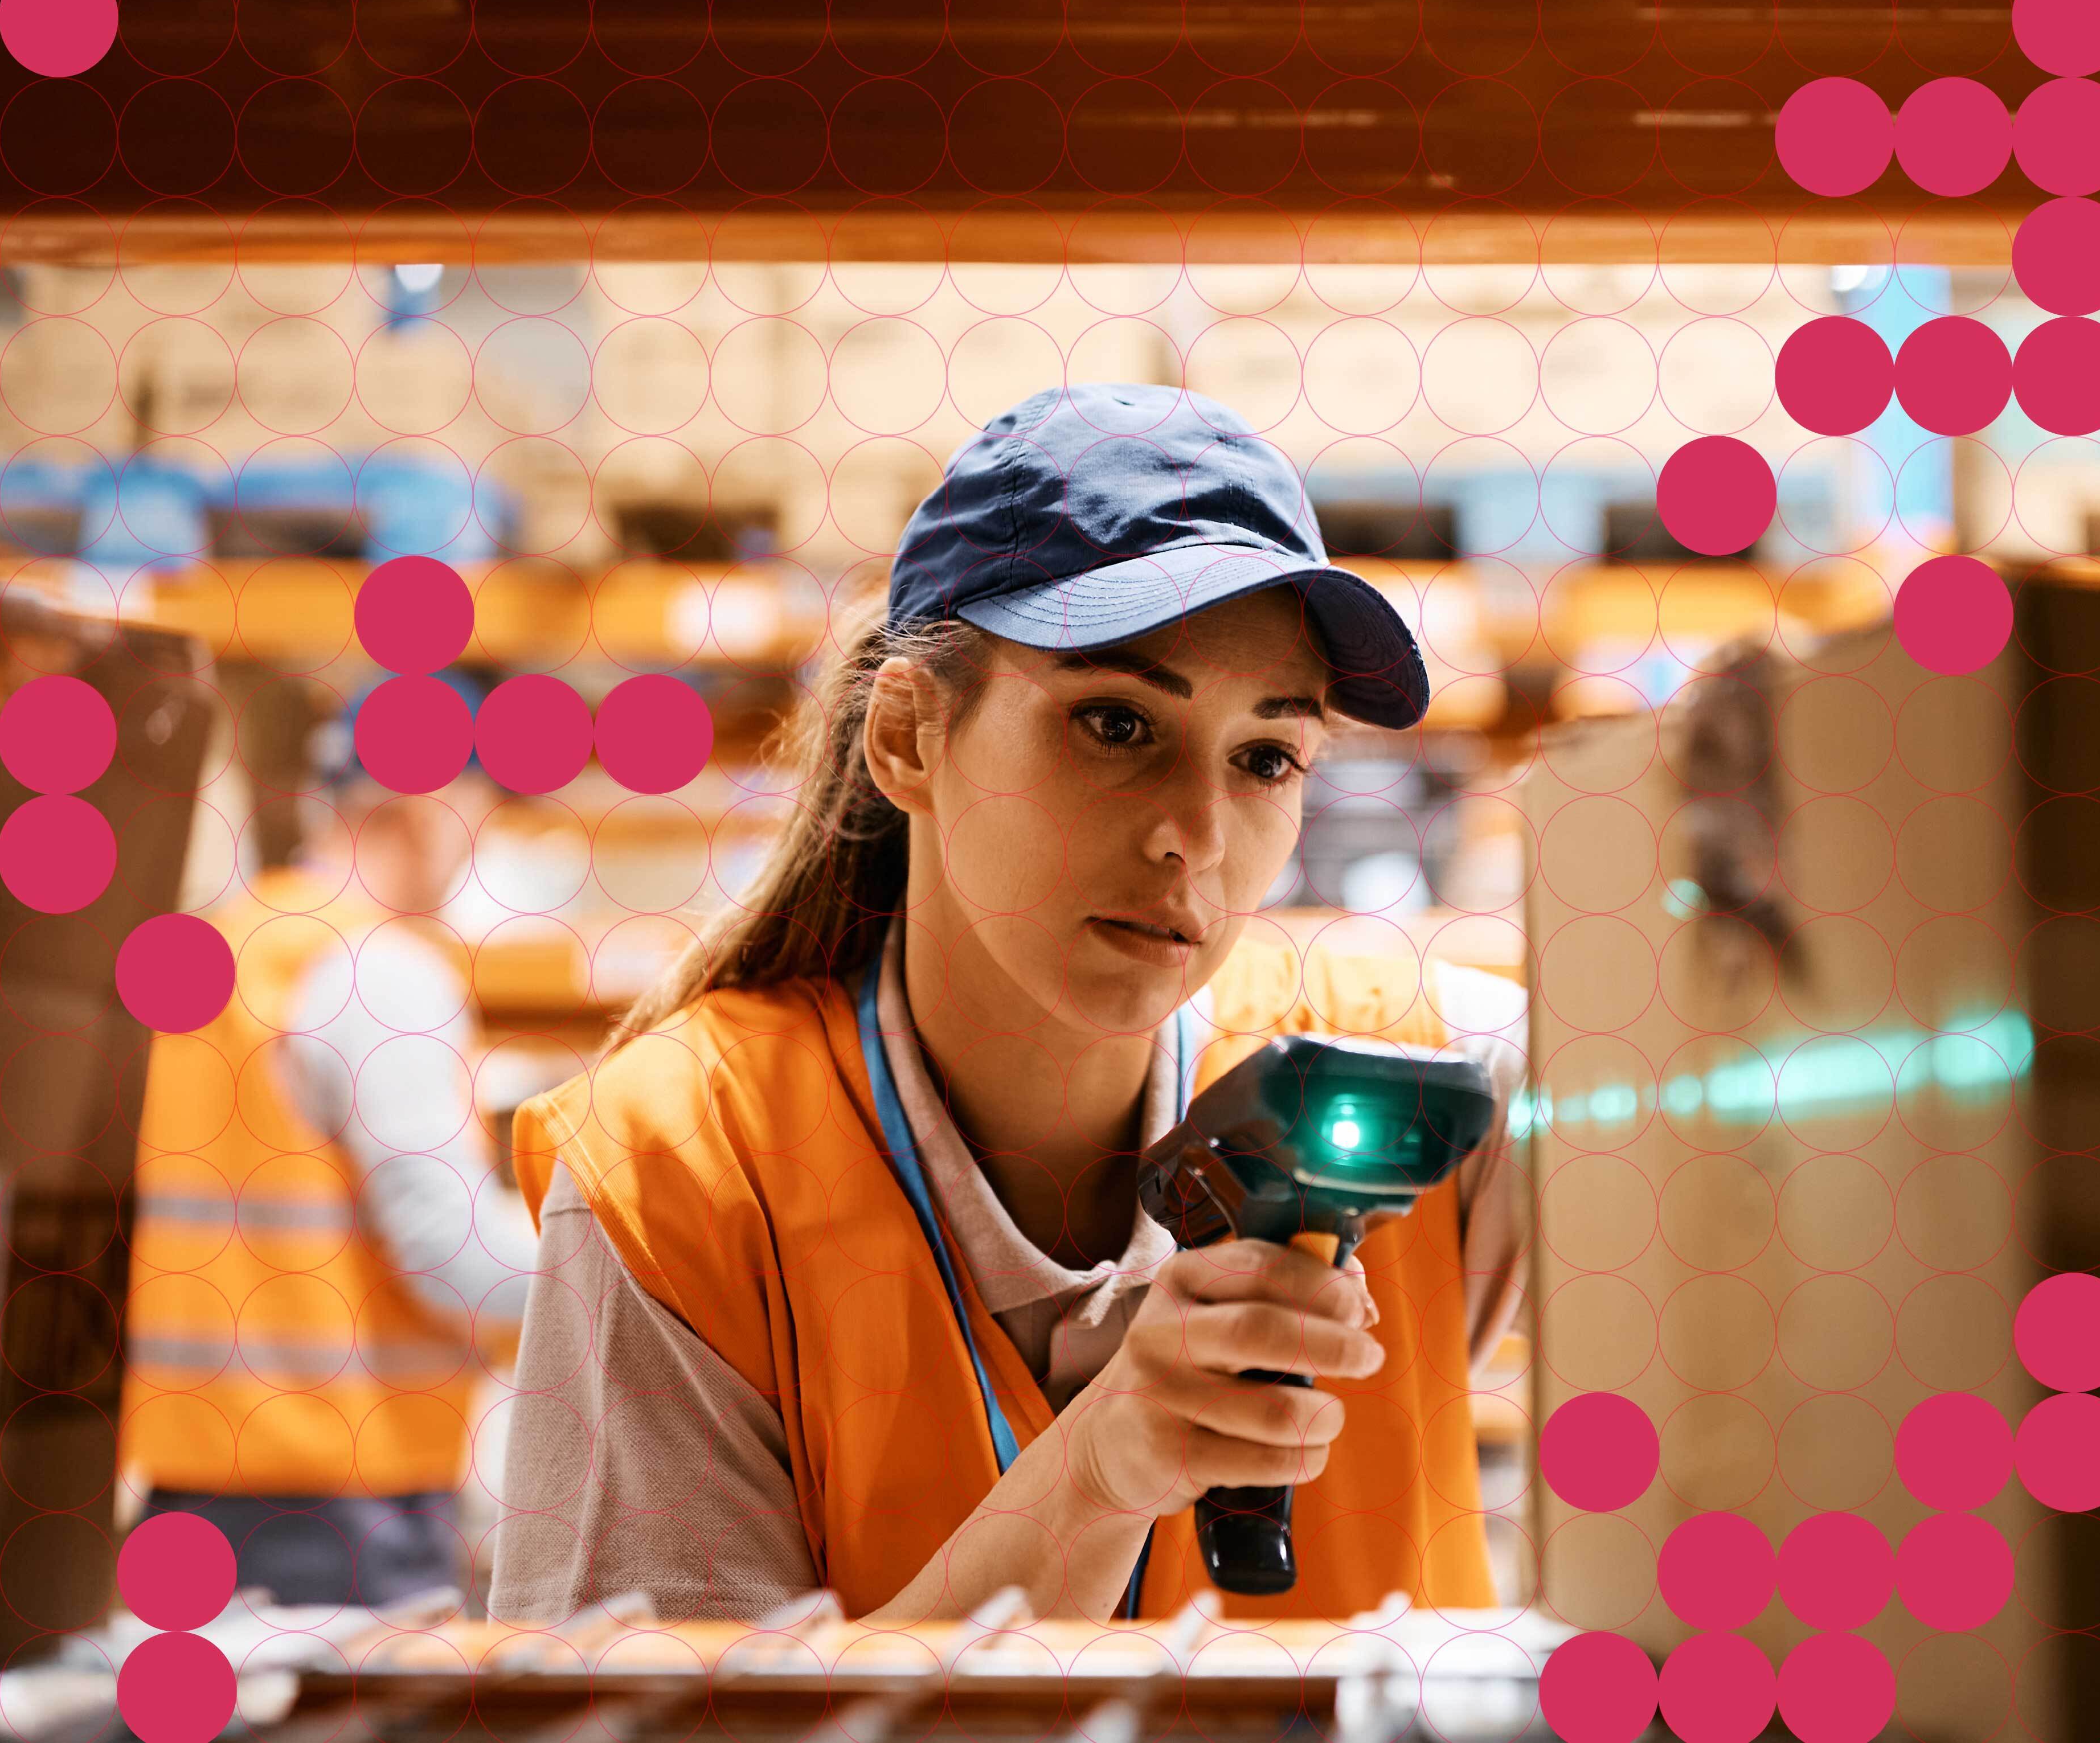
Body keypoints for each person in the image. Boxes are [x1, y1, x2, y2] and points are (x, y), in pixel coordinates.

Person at [486, 383, 1531, 1630]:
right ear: (910, 739)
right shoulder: (681, 1175)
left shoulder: (1431, 1077)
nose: (1194, 838)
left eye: (1266, 757)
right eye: (1113, 722)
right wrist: (1094, 1478)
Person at [122, 678, 538, 1609]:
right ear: (427, 805)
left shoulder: (218, 951)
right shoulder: (380, 972)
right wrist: (638, 1268)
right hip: (343, 1510)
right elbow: (451, 1257)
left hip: (189, 1486)